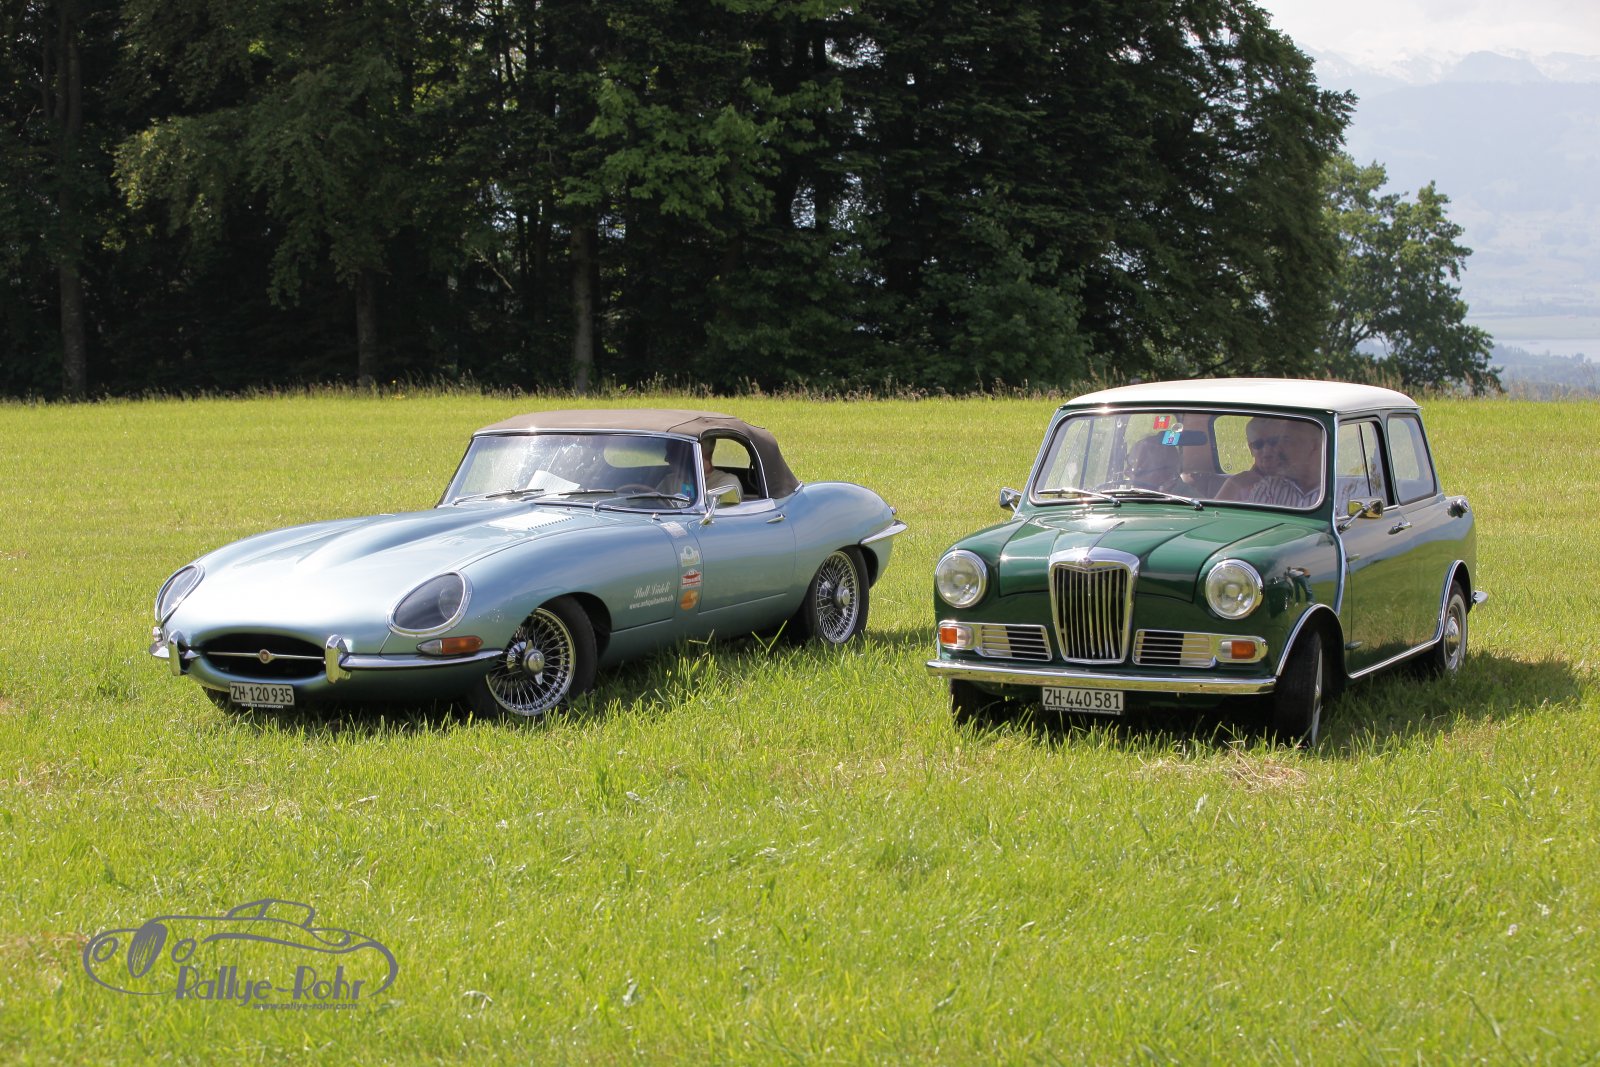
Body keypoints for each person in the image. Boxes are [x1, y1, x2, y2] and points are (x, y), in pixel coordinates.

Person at [1216, 417, 1322, 507]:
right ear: (1250, 449)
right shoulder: (1238, 483)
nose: (1267, 451)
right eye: (1258, 444)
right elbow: (1215, 514)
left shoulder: (1301, 478)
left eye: (1273, 442)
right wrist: (1234, 487)